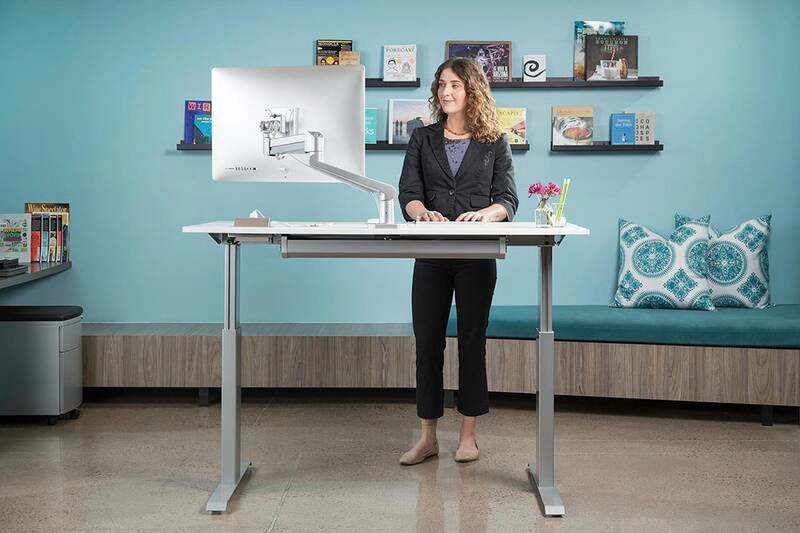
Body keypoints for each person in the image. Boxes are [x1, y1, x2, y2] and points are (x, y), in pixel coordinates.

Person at [397, 58, 518, 465]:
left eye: (455, 85)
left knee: (471, 341)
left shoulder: (494, 140)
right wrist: (420, 213)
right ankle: (427, 437)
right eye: (441, 85)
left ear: (472, 91)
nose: (446, 92)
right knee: (427, 343)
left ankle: (468, 437)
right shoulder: (422, 137)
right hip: (431, 253)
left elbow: (507, 199)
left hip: (476, 255)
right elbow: (409, 193)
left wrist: (488, 214)